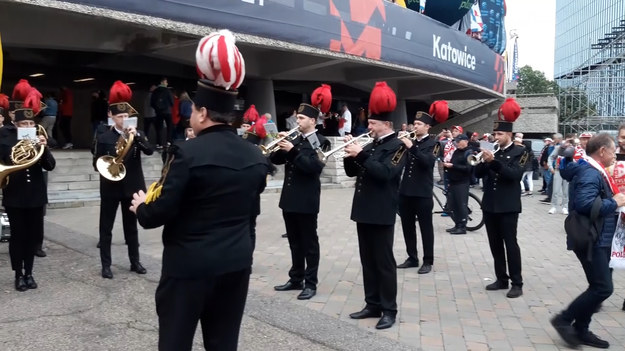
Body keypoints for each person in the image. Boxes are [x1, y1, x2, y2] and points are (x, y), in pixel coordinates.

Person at [129, 30, 267, 351]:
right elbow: (251, 218)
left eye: (193, 109)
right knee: (223, 343)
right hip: (235, 264)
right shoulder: (254, 155)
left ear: (203, 113)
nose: (191, 114)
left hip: (188, 267)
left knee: (175, 343)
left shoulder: (187, 153)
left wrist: (141, 207)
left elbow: (158, 213)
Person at [551, 133, 625, 349]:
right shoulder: (591, 172)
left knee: (597, 285)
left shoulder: (586, 167)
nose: (614, 155)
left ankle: (581, 329)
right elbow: (584, 204)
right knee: (603, 288)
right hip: (593, 237)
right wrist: (613, 202)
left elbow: (566, 170)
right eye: (612, 151)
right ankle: (564, 320)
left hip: (597, 236)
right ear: (602, 151)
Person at [344, 82, 406, 330]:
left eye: (372, 124)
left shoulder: (398, 146)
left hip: (381, 211)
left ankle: (389, 309)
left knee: (384, 262)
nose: (368, 127)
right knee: (367, 260)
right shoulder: (371, 145)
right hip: (363, 210)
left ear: (386, 125)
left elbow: (385, 173)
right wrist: (350, 153)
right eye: (368, 123)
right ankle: (372, 304)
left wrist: (360, 154)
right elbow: (352, 173)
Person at [271, 84, 331, 301]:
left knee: (309, 243)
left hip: (306, 199)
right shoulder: (293, 139)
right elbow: (275, 160)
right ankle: (296, 278)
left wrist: (293, 151)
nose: (298, 122)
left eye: (302, 119)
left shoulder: (322, 142)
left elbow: (314, 168)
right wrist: (278, 144)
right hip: (289, 198)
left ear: (313, 121)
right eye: (297, 119)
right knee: (294, 241)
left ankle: (311, 283)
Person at [93, 81, 153, 279]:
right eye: (120, 116)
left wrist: (137, 138)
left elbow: (150, 150)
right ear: (111, 116)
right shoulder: (104, 137)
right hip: (111, 186)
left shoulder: (137, 134)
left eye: (127, 116)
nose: (124, 120)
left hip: (132, 187)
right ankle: (106, 265)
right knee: (106, 228)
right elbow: (97, 163)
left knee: (131, 227)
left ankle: (135, 261)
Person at [1, 85, 55, 291]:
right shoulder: (4, 137)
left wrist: (44, 148)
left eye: (31, 123)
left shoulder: (36, 138)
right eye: (23, 123)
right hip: (14, 193)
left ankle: (30, 273)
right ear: (15, 123)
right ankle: (18, 274)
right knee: (17, 236)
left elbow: (50, 165)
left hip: (35, 195)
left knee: (32, 237)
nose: (27, 126)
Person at [475, 98, 527, 299]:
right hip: (490, 205)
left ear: (510, 135)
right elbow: (478, 174)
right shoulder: (491, 151)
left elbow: (515, 175)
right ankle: (501, 278)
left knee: (510, 244)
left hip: (508, 206)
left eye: (500, 134)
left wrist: (494, 162)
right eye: (495, 134)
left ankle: (517, 282)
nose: (496, 137)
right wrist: (481, 159)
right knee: (494, 243)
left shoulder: (521, 151)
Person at [396, 105, 447, 274]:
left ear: (427, 127)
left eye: (419, 124)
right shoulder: (408, 142)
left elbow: (427, 162)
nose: (415, 126)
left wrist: (411, 146)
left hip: (423, 193)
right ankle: (412, 257)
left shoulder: (435, 144)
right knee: (407, 226)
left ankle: (428, 260)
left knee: (426, 228)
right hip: (405, 191)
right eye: (414, 123)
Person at [444, 133, 472, 234]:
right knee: (454, 204)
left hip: (462, 182)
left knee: (461, 204)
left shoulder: (469, 153)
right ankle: (457, 224)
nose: (457, 143)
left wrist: (453, 166)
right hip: (453, 181)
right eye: (456, 141)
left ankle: (462, 226)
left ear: (466, 141)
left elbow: (468, 169)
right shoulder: (456, 151)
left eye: (459, 141)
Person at [151, 77, 174, 145]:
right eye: (166, 82)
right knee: (169, 127)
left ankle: (159, 143)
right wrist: (168, 107)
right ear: (162, 82)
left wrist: (157, 108)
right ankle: (168, 141)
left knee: (159, 128)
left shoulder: (155, 91)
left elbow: (152, 103)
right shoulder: (168, 91)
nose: (167, 83)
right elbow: (172, 102)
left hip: (159, 112)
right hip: (167, 112)